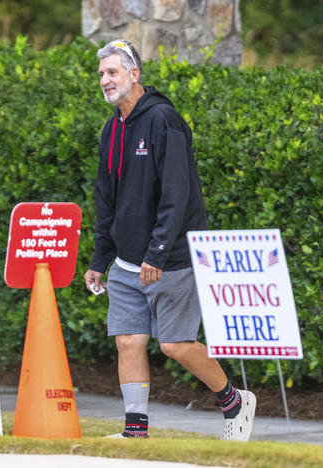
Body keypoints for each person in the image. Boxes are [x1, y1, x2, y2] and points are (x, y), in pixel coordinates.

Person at [83, 40, 256, 441]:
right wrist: (99, 259)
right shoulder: (112, 129)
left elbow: (178, 195)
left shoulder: (165, 121)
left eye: (112, 72)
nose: (106, 81)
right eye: (101, 75)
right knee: (128, 340)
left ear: (134, 74)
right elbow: (106, 200)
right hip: (127, 262)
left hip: (171, 258)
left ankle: (233, 400)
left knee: (175, 345)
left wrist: (157, 252)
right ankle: (135, 431)